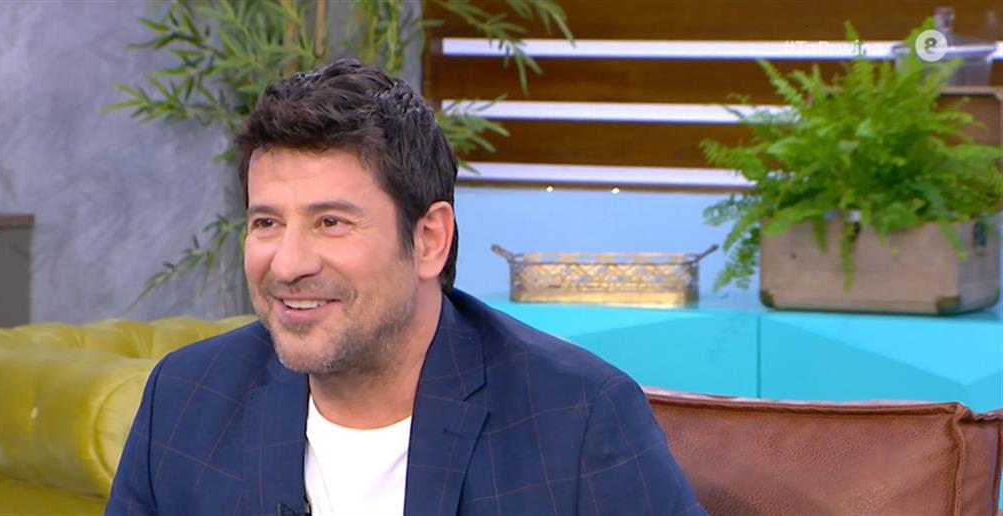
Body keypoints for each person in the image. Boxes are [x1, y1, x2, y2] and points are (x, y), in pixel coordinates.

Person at [105, 59, 704, 516]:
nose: (287, 264)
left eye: (330, 222)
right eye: (267, 223)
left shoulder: (576, 417)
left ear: (429, 239)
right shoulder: (186, 401)